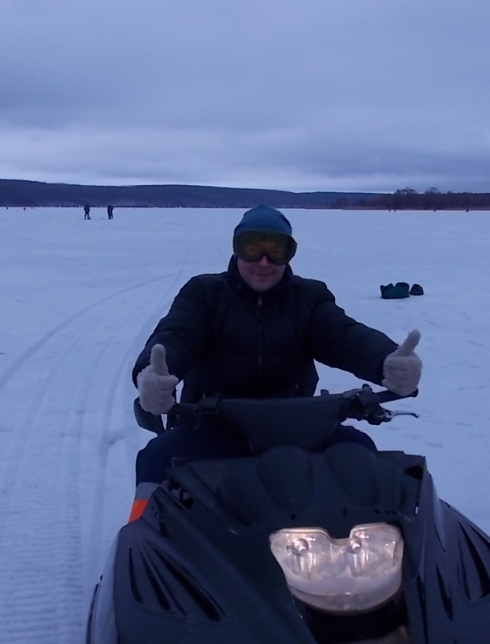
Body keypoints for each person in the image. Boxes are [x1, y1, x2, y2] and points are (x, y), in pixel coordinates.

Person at [130, 204, 421, 509]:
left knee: (359, 452)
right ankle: (141, 533)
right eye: (252, 247)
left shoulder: (309, 297)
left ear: (289, 253)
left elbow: (343, 335)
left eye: (277, 250)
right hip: (213, 424)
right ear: (237, 248)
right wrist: (153, 374)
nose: (264, 262)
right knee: (159, 456)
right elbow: (177, 334)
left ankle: (377, 541)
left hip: (297, 427)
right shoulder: (204, 293)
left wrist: (386, 361)